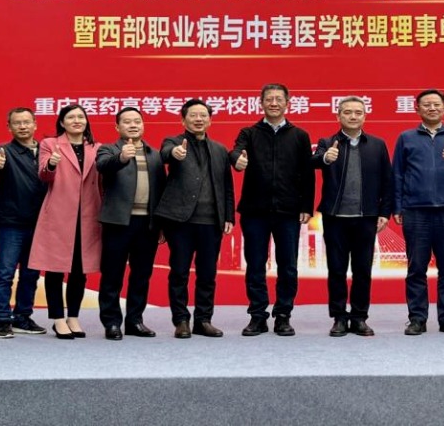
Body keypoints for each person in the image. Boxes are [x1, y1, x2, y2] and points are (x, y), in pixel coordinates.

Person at [230, 84, 313, 336]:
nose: (274, 103)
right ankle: (257, 316)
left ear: (287, 102)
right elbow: (236, 151)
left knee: (288, 266)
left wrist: (306, 206)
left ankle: (283, 315)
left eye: (278, 99)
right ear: (261, 102)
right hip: (255, 211)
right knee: (255, 265)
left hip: (288, 211)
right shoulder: (249, 133)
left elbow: (307, 174)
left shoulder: (299, 135)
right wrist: (237, 159)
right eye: (269, 99)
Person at [393, 88, 444, 336]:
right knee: (416, 268)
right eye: (426, 104)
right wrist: (397, 206)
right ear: (417, 109)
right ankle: (417, 318)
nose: (432, 108)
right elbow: (397, 174)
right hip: (415, 211)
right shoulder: (406, 137)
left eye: (436, 104)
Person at [311, 96, 393, 337]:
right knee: (336, 270)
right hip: (335, 217)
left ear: (365, 116)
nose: (353, 116)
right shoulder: (328, 142)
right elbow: (312, 161)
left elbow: (387, 181)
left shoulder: (377, 145)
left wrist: (384, 212)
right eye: (347, 112)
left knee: (362, 270)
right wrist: (325, 158)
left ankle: (359, 317)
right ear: (338, 116)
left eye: (358, 112)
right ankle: (338, 317)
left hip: (366, 217)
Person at [157, 99, 234, 338]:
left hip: (211, 221)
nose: (198, 119)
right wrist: (175, 153)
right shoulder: (173, 142)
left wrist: (228, 215)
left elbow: (227, 185)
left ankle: (203, 320)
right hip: (180, 221)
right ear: (183, 120)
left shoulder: (220, 150)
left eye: (203, 115)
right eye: (193, 115)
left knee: (207, 274)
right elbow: (165, 154)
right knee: (179, 272)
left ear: (210, 120)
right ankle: (181, 320)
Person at [29, 103, 102, 339]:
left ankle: (73, 317)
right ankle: (58, 319)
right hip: (59, 215)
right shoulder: (50, 144)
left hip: (88, 215)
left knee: (80, 271)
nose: (77, 121)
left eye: (81, 116)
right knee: (55, 269)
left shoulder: (97, 147)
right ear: (62, 122)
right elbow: (44, 175)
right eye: (71, 117)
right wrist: (51, 163)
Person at [96, 107, 166, 340]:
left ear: (143, 125)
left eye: (137, 121)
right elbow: (103, 166)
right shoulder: (108, 149)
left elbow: (161, 189)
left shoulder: (154, 154)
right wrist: (122, 158)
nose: (133, 125)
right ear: (117, 127)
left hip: (147, 224)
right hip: (117, 222)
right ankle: (111, 322)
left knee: (141, 275)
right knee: (112, 275)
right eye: (127, 122)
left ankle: (135, 320)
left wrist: (161, 224)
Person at [0, 107, 48, 338]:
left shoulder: (46, 151)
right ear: (9, 127)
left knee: (31, 274)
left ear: (35, 124)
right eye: (17, 123)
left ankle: (23, 317)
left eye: (26, 122)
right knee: (5, 273)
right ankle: (2, 319)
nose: (22, 126)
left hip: (40, 223)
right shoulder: (3, 150)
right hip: (11, 223)